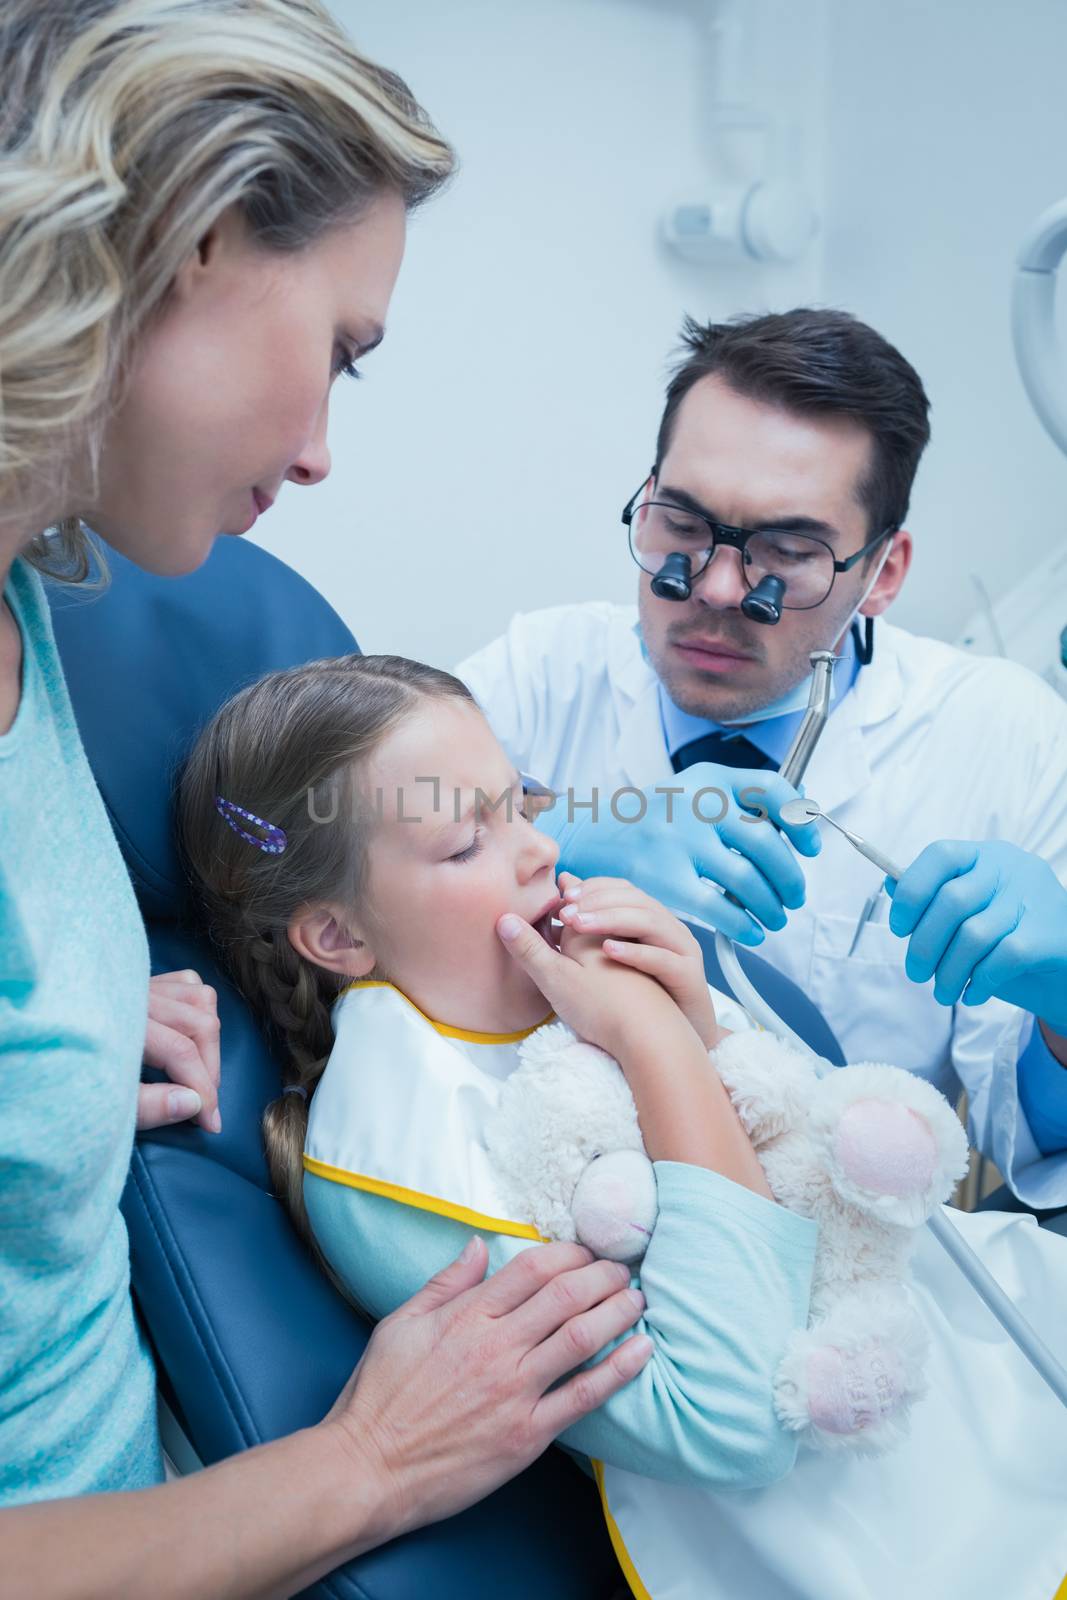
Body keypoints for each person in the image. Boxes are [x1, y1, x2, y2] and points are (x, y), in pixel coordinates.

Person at [0, 4, 650, 1592]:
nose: (321, 459)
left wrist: (62, 1034)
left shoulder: (33, 596)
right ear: (184, 238)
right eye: (342, 352)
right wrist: (368, 1464)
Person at [176, 648, 1067, 1600]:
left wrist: (700, 1026)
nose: (541, 849)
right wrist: (659, 1047)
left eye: (519, 802)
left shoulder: (561, 987)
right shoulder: (394, 1154)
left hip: (1003, 1349)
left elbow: (827, 1186)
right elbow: (734, 1411)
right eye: (466, 842)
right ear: (339, 936)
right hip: (910, 1540)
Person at [456, 309, 1067, 1217]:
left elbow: (1036, 1143)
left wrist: (1061, 1000)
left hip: (831, 1247)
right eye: (681, 526)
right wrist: (565, 827)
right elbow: (326, 819)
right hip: (548, 1213)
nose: (713, 588)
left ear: (883, 573)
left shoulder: (999, 735)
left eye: (788, 552)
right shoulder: (543, 675)